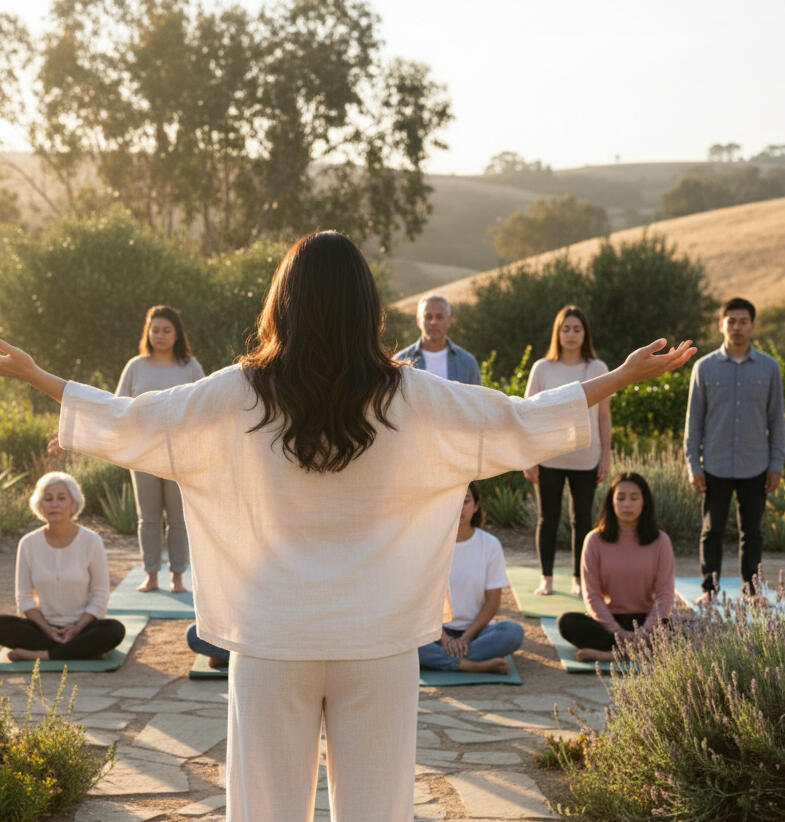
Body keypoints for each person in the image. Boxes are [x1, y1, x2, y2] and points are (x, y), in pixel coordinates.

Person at [0, 230, 695, 822]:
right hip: (377, 639)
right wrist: (618, 378)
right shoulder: (410, 394)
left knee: (264, 808)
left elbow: (137, 421)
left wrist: (40, 376)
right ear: (366, 306)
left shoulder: (239, 390)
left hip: (274, 637)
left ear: (284, 302)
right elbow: (515, 420)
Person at [684, 297, 785, 603]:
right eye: (732, 321)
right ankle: (709, 591)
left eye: (743, 321)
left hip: (756, 464)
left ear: (753, 325)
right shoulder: (704, 368)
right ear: (721, 324)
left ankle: (752, 591)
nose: (737, 327)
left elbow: (777, 420)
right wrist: (694, 467)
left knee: (751, 532)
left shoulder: (769, 368)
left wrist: (776, 464)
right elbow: (694, 422)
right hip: (714, 464)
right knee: (711, 531)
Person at [116, 305, 205, 594]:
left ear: (177, 334)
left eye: (167, 330)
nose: (161, 335)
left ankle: (178, 577)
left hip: (179, 456)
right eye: (156, 329)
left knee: (178, 519)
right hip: (142, 456)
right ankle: (151, 575)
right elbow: (118, 406)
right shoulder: (135, 366)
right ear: (148, 332)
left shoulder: (191, 367)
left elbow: (203, 408)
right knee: (148, 518)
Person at [524, 305, 611, 597]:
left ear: (585, 333)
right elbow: (528, 413)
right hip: (549, 456)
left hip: (586, 457)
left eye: (577, 329)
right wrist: (529, 456)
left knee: (582, 520)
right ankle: (546, 578)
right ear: (557, 333)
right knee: (548, 518)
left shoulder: (598, 369)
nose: (571, 335)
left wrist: (606, 456)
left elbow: (603, 417)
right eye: (566, 329)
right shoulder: (542, 368)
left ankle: (579, 579)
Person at [0, 472, 125, 661]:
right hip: (42, 627)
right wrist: (48, 630)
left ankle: (43, 655)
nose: (54, 504)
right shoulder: (28, 543)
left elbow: (100, 594)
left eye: (61, 498)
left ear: (73, 503)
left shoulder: (92, 541)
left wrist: (76, 629)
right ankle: (75, 651)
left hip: (82, 627)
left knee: (114, 630)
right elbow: (24, 598)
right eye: (48, 499)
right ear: (40, 506)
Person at [557, 472, 675, 663]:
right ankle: (639, 653)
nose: (627, 504)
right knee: (567, 622)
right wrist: (617, 632)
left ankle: (613, 655)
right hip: (607, 621)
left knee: (687, 629)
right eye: (620, 498)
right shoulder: (594, 540)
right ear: (611, 502)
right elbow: (592, 595)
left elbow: (665, 594)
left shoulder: (661, 541)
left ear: (644, 502)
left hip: (646, 620)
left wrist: (645, 631)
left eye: (634, 498)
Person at [418, 482, 523, 674]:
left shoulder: (490, 545)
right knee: (409, 642)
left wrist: (465, 638)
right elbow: (420, 602)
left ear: (476, 506)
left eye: (465, 501)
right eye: (453, 501)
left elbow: (493, 602)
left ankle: (446, 659)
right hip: (434, 633)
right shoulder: (429, 545)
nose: (459, 508)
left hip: (477, 633)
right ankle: (472, 665)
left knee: (513, 633)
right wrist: (445, 639)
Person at [394, 294, 481, 384]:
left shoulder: (467, 362)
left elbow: (476, 398)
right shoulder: (400, 362)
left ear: (449, 321)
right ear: (418, 321)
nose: (434, 322)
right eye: (428, 317)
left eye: (439, 317)